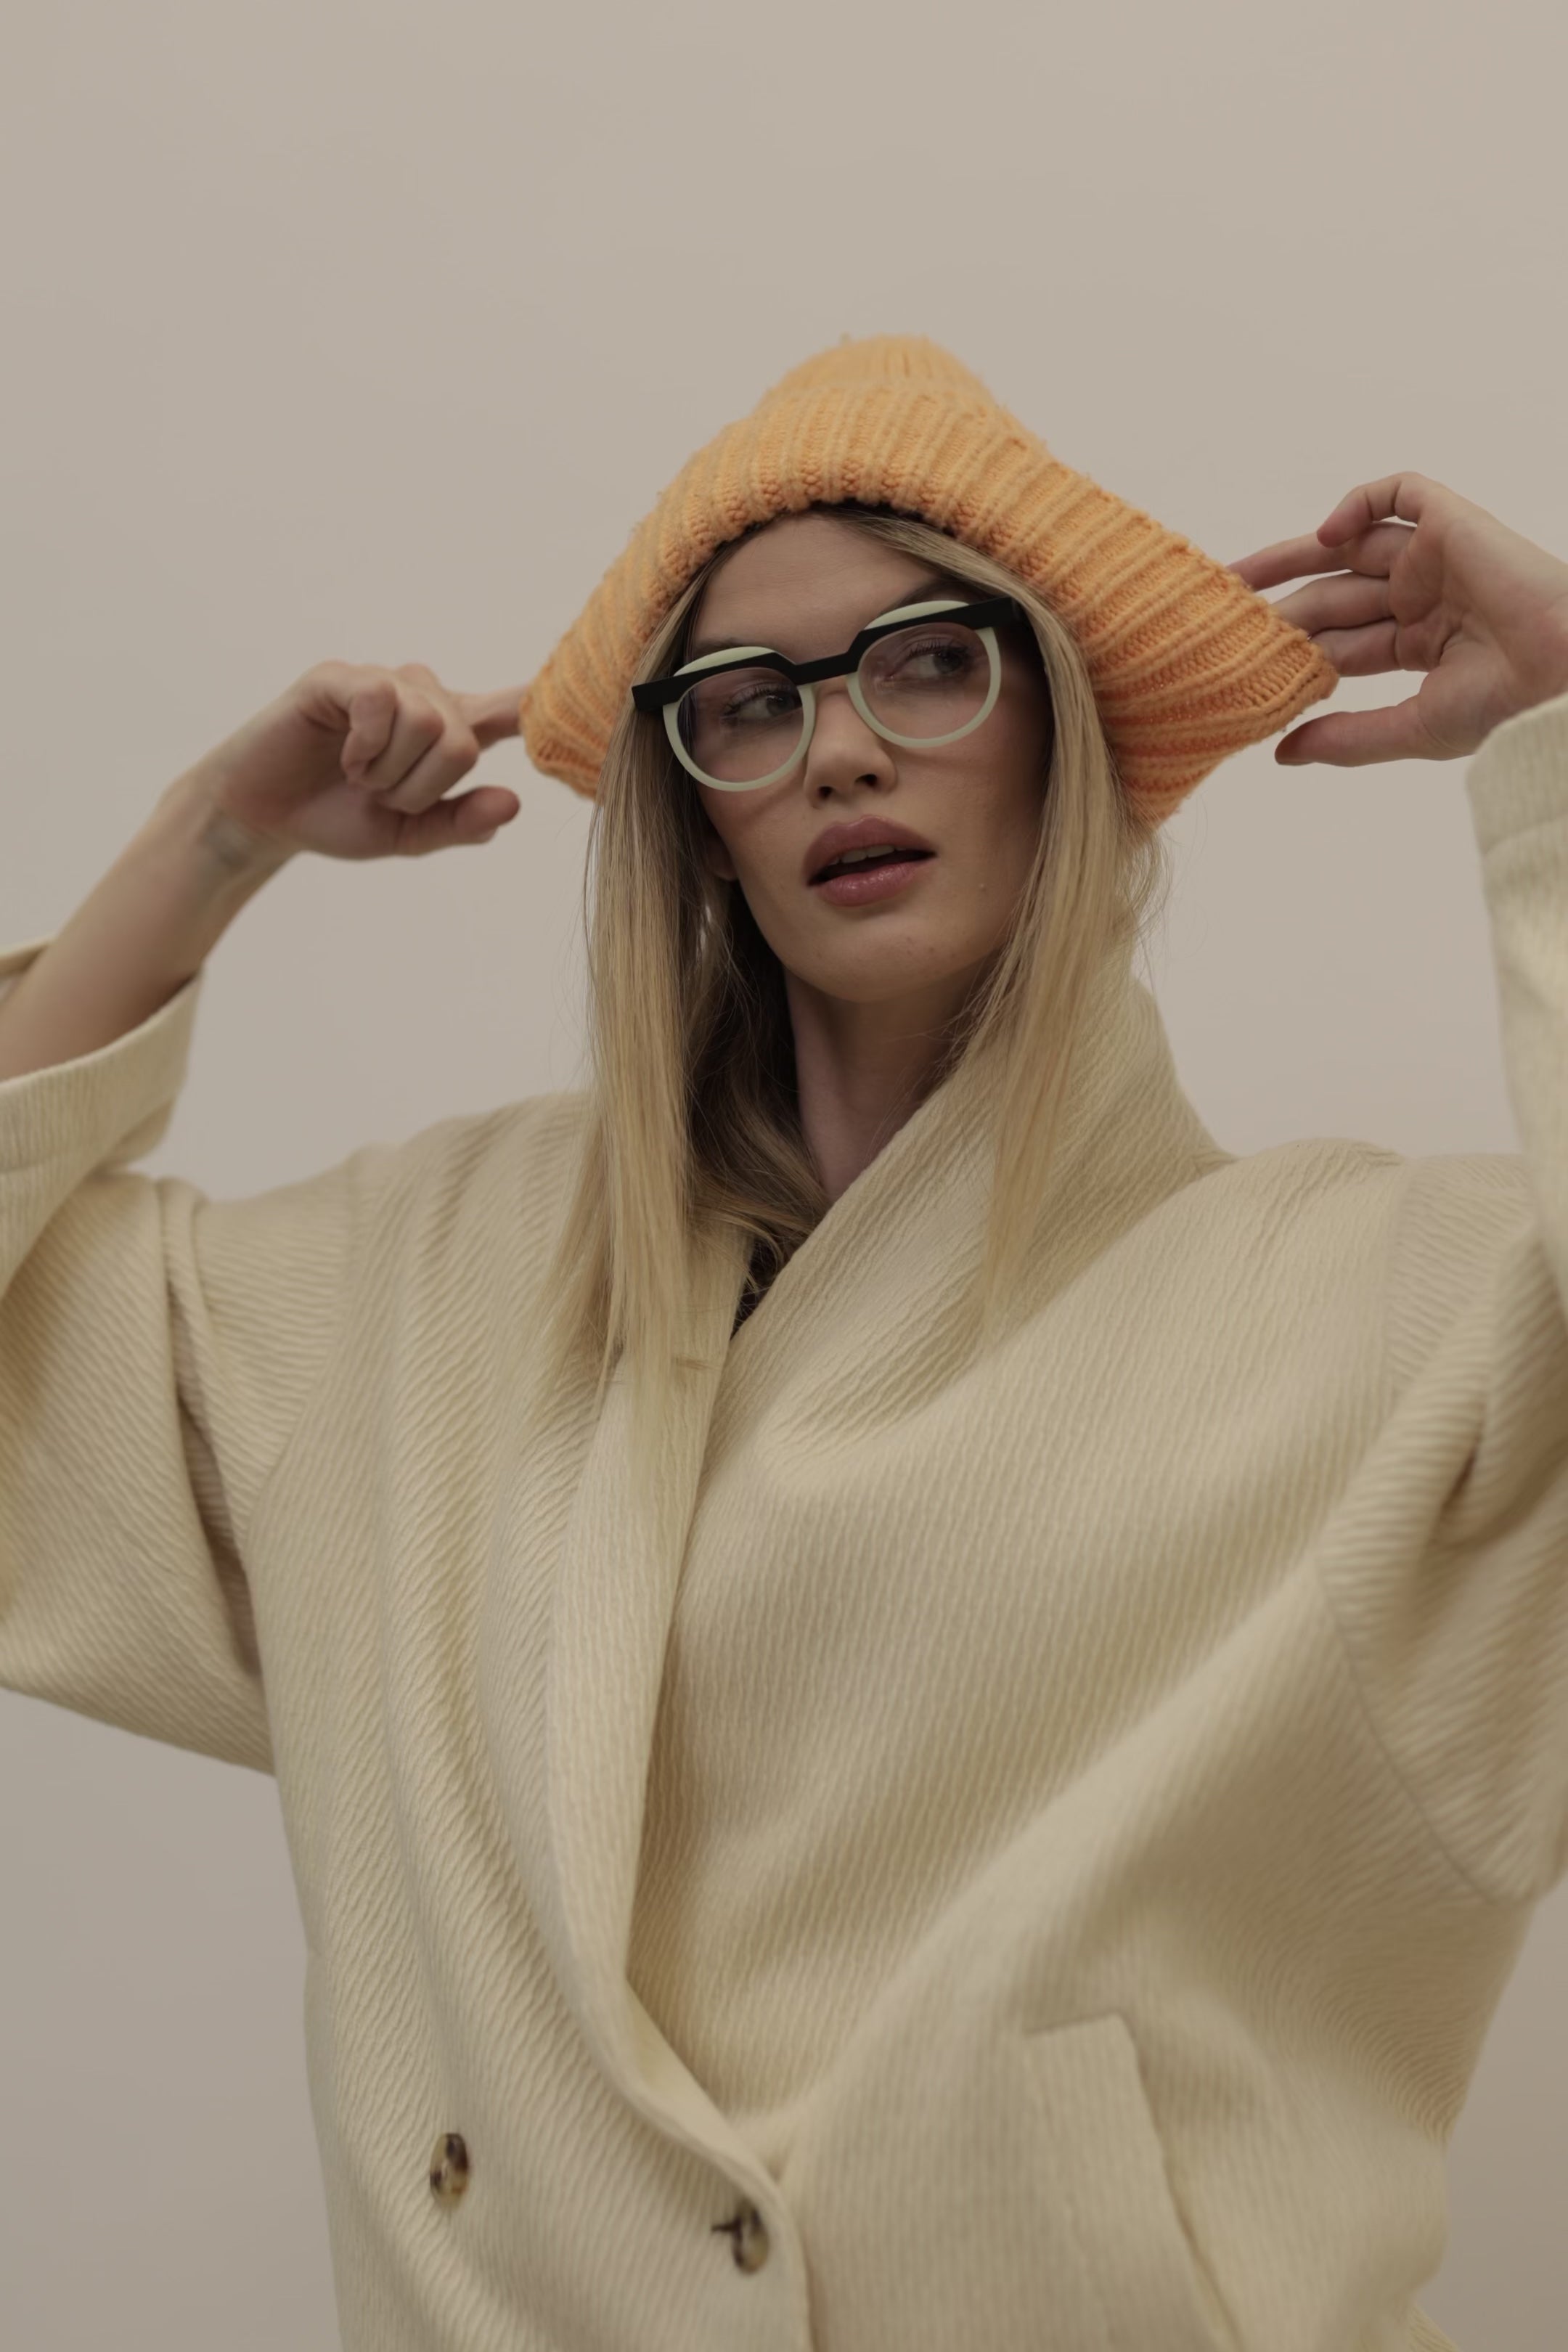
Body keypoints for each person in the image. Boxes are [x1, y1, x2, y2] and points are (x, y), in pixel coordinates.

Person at [2, 332, 1567, 2352]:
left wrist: (1566, 716)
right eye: (747, 703)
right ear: (698, 808)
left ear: (1062, 729)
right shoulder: (439, 1282)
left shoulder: (1361, 1302)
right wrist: (212, 841)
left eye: (930, 662)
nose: (838, 751)